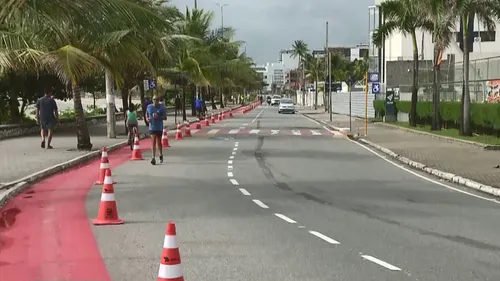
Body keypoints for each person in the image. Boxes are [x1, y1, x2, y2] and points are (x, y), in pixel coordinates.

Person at [146, 95, 167, 165]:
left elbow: (165, 118)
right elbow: (147, 115)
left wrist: (159, 117)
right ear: (152, 100)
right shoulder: (149, 107)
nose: (155, 101)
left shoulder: (162, 107)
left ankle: (160, 154)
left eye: (157, 99)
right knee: (153, 142)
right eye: (154, 99)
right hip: (152, 127)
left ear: (159, 100)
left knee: (159, 142)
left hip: (159, 127)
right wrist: (147, 119)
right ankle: (153, 157)